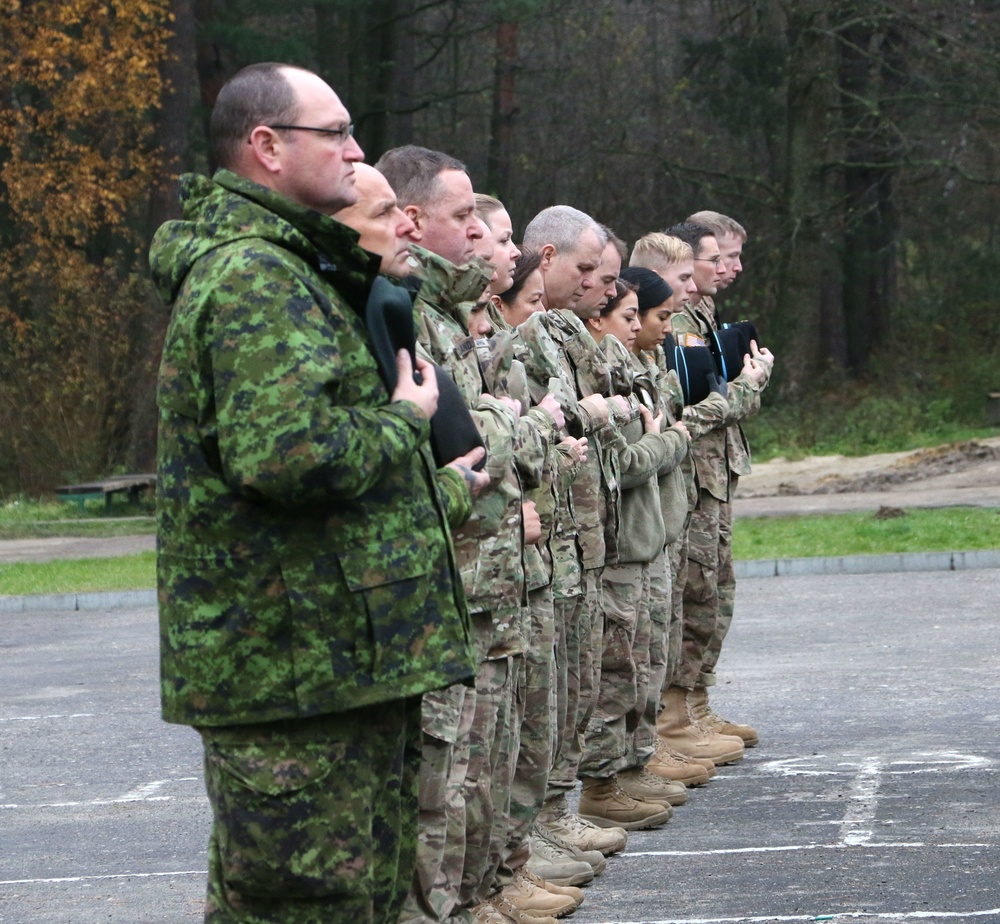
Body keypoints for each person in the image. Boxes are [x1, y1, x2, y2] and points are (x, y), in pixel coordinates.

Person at [150, 63, 486, 924]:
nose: (356, 148)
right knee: (305, 906)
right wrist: (407, 419)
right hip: (292, 675)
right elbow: (290, 457)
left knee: (353, 899)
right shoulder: (255, 278)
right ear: (266, 147)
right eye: (333, 133)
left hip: (334, 665)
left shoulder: (297, 267)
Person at [377, 147, 572, 924]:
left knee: (484, 754)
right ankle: (459, 902)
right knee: (444, 776)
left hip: (487, 564)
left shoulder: (448, 308)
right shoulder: (405, 307)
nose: (487, 239)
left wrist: (510, 433)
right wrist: (517, 431)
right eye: (468, 220)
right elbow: (466, 438)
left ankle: (485, 888)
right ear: (415, 219)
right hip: (453, 568)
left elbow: (487, 429)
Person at [518, 208, 633, 876]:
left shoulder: (563, 329)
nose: (598, 286)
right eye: (586, 269)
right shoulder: (525, 332)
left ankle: (555, 816)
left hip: (576, 535)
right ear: (549, 255)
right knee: (541, 695)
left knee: (574, 685)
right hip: (543, 538)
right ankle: (531, 834)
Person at [655, 220, 773, 764]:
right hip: (692, 475)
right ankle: (676, 713)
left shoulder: (699, 315)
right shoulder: (673, 320)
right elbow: (692, 408)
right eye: (720, 257)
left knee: (713, 590)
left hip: (712, 473)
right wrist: (746, 387)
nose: (732, 267)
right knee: (695, 590)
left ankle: (694, 702)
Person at [576, 278, 691, 829]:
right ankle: (602, 782)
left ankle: (632, 763)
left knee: (644, 659)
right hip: (621, 543)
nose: (641, 327)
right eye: (628, 316)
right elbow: (624, 463)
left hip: (646, 536)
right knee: (618, 668)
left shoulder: (631, 371)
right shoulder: (599, 374)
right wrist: (672, 440)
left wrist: (662, 439)